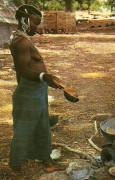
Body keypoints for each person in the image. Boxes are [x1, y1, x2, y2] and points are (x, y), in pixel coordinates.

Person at [9, 5, 62, 172]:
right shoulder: (21, 42)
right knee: (23, 130)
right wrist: (44, 77)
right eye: (35, 22)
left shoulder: (22, 39)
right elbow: (24, 69)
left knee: (42, 125)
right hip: (29, 92)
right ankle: (15, 170)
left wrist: (45, 80)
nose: (37, 26)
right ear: (24, 21)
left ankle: (47, 160)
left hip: (36, 91)